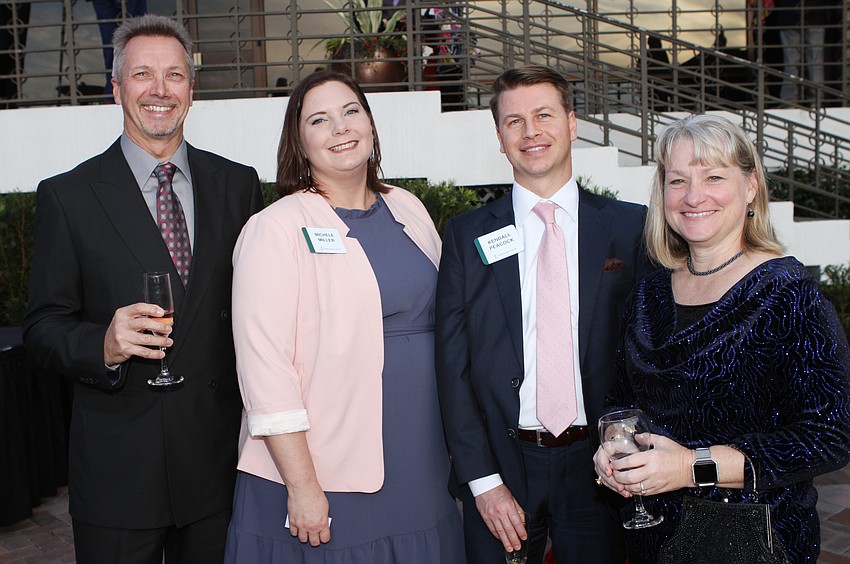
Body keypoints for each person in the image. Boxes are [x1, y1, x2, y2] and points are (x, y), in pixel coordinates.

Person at [23, 14, 263, 563]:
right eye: (142, 75)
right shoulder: (68, 196)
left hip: (217, 469)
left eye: (174, 75)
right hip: (117, 476)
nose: (159, 90)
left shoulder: (238, 184)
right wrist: (102, 345)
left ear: (192, 89)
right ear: (116, 88)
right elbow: (42, 329)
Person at [224, 70, 465, 563]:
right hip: (327, 469)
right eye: (320, 120)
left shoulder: (409, 208)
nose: (340, 128)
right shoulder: (274, 229)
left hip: (420, 455)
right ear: (299, 142)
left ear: (371, 125)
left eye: (351, 111)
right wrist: (304, 485)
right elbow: (264, 370)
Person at [593, 114, 850, 563]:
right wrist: (610, 450)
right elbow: (623, 401)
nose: (693, 197)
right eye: (678, 180)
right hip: (656, 536)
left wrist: (692, 467)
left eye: (714, 177)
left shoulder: (786, 293)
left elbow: (829, 435)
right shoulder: (649, 292)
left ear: (751, 187)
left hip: (753, 538)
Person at [435, 64, 654, 564]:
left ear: (572, 124)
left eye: (543, 115)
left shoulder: (629, 227)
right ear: (499, 136)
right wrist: (482, 481)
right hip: (502, 464)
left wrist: (635, 442)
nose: (531, 132)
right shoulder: (467, 235)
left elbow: (652, 350)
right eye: (514, 121)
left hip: (601, 465)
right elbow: (452, 367)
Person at [771, 0, 830, 104]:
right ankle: (816, 101)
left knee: (791, 61)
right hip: (815, 13)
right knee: (815, 61)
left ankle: (789, 101)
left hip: (789, 13)